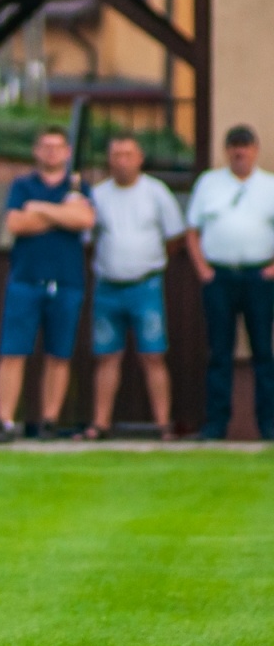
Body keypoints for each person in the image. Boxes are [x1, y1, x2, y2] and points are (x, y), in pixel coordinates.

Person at [0, 126, 97, 444]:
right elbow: (16, 223)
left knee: (59, 354)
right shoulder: (22, 185)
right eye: (45, 146)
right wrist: (62, 214)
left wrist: (40, 209)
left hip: (67, 281)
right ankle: (5, 421)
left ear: (67, 152)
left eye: (57, 147)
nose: (51, 152)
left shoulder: (78, 187)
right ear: (36, 151)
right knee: (13, 351)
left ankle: (49, 420)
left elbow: (84, 220)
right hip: (26, 279)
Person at [86, 134, 186, 441]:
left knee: (153, 354)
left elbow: (174, 237)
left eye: (128, 154)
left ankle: (162, 424)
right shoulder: (98, 195)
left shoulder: (156, 193)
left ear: (140, 158)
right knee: (107, 356)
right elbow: (88, 240)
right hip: (108, 285)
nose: (122, 161)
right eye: (116, 155)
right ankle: (100, 424)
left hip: (146, 285)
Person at [185, 124, 274, 441]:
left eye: (246, 146)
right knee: (219, 353)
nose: (240, 152)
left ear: (255, 150)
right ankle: (216, 425)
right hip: (219, 276)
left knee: (263, 351)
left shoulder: (269, 185)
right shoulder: (209, 184)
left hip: (258, 277)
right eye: (235, 146)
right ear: (227, 151)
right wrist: (202, 269)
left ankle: (268, 425)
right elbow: (192, 230)